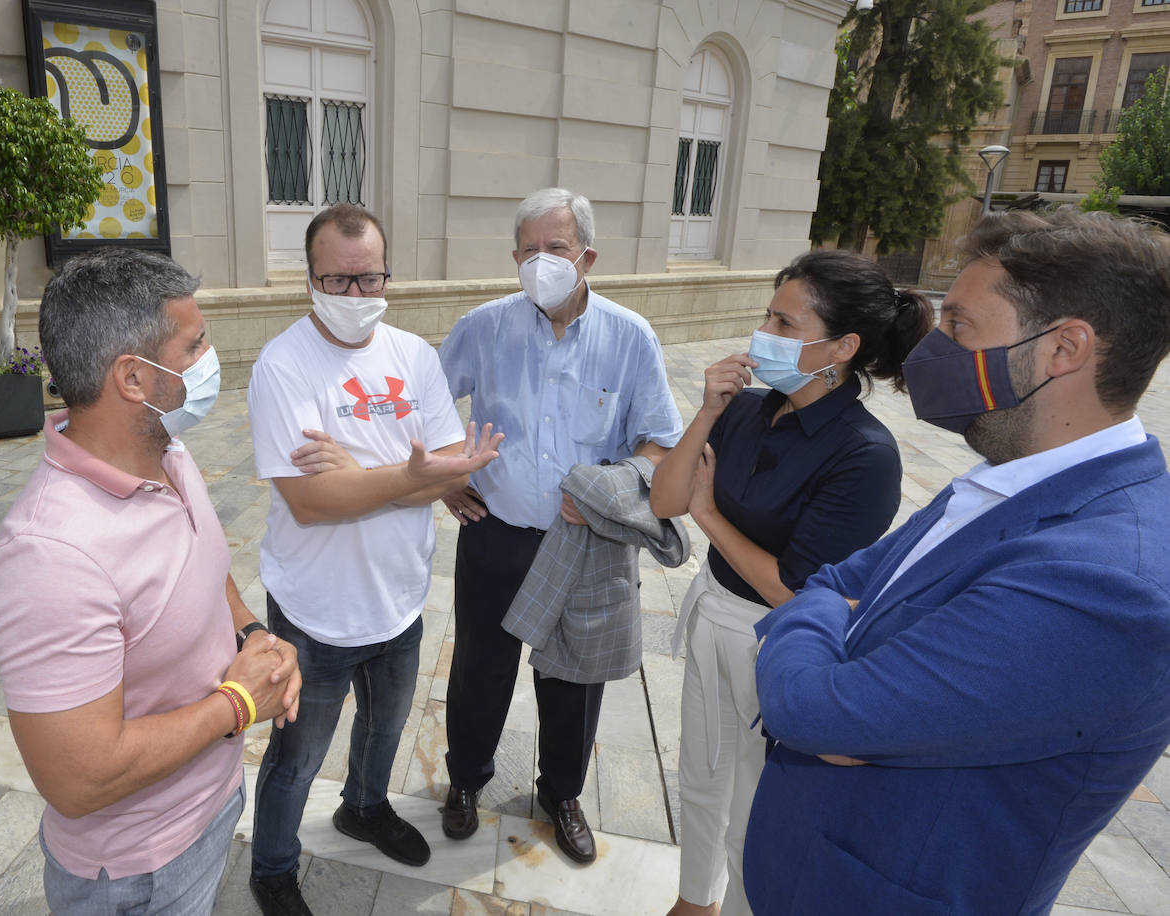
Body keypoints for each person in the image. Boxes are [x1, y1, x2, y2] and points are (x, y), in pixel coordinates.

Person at [745, 209, 1170, 915]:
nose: (928, 352)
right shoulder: (1011, 472)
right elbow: (834, 583)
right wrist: (834, 626)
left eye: (960, 327)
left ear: (1063, 348)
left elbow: (809, 707)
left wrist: (827, 644)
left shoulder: (1109, 582)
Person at [0, 248, 303, 914]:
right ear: (133, 377)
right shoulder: (50, 557)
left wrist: (253, 634)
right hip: (137, 872)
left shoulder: (169, 456)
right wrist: (239, 706)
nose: (210, 359)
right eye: (195, 344)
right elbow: (79, 777)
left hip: (209, 807)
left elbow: (206, 571)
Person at [649, 249, 934, 915]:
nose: (764, 335)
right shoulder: (749, 408)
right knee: (701, 772)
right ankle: (695, 900)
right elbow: (665, 500)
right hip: (714, 615)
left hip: (780, 641)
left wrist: (711, 515)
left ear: (842, 346)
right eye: (767, 316)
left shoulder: (863, 455)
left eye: (784, 322)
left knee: (758, 799)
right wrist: (707, 412)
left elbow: (796, 590)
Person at [245, 203, 502, 916]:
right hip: (315, 609)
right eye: (341, 280)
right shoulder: (283, 367)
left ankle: (363, 807)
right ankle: (272, 864)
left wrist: (358, 465)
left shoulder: (415, 356)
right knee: (296, 758)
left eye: (371, 279)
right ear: (311, 281)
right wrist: (408, 478)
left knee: (385, 727)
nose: (359, 296)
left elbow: (455, 472)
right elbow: (313, 503)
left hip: (399, 597)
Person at [437, 187, 684, 864]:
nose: (542, 261)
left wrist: (607, 489)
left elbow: (659, 442)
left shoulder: (630, 337)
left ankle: (563, 794)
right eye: (530, 250)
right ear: (514, 257)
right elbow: (426, 404)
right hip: (496, 531)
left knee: (576, 677)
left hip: (587, 543)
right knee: (480, 667)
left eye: (558, 248)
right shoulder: (483, 326)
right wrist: (447, 477)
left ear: (588, 257)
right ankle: (465, 781)